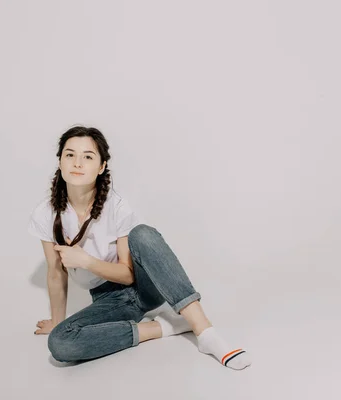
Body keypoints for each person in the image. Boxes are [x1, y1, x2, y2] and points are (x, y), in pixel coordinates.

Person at [27, 126, 251, 370]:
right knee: (60, 343)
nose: (77, 163)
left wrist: (86, 261)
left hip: (145, 287)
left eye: (88, 156)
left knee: (142, 233)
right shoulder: (45, 214)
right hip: (109, 300)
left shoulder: (117, 207)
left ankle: (205, 331)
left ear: (101, 167)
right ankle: (165, 326)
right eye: (70, 155)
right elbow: (55, 273)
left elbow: (128, 274)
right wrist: (58, 322)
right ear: (60, 161)